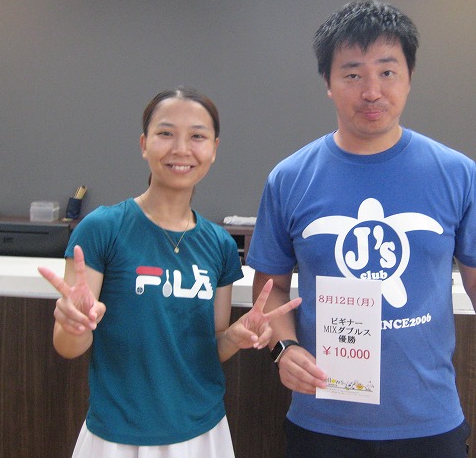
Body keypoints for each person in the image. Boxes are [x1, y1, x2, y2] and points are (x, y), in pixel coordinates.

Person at [246, 0, 476, 458]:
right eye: (352, 74)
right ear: (327, 82)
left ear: (409, 77)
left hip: (429, 422)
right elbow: (271, 286)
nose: (371, 91)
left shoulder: (455, 172)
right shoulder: (290, 178)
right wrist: (284, 349)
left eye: (387, 72)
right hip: (321, 420)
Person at [38, 86, 301, 458]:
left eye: (197, 136)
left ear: (214, 149)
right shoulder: (102, 229)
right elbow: (67, 347)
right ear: (144, 144)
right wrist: (74, 324)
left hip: (202, 432)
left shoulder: (220, 245)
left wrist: (235, 337)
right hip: (118, 435)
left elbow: (211, 346)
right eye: (165, 133)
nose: (181, 149)